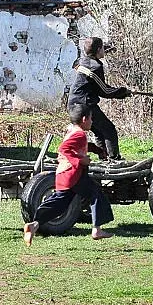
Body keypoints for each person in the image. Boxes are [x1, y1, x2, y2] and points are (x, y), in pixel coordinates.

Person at [23, 102, 114, 246]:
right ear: (84, 119)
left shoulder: (73, 131)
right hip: (73, 174)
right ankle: (96, 230)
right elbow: (64, 149)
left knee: (60, 203)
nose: (92, 121)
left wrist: (97, 150)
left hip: (64, 174)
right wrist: (80, 160)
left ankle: (34, 225)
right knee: (96, 194)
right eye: (91, 118)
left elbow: (76, 147)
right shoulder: (79, 134)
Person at [67, 36, 132, 161]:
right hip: (84, 105)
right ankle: (114, 160)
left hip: (73, 103)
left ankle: (104, 158)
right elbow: (104, 91)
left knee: (99, 131)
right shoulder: (95, 67)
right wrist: (124, 92)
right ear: (98, 50)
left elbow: (98, 86)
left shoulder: (82, 61)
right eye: (102, 48)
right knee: (109, 130)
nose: (104, 50)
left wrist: (122, 92)